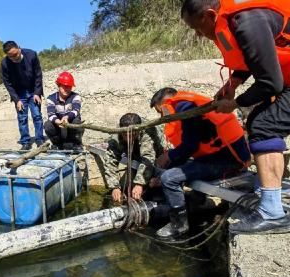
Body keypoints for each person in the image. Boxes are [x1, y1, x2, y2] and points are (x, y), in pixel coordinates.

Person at [181, 0, 290, 234]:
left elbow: (271, 82)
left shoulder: (248, 22)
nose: (199, 35)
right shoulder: (237, 21)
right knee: (260, 123)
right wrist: (233, 84)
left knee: (264, 125)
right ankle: (268, 191)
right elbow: (254, 58)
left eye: (197, 28)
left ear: (210, 15)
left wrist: (235, 103)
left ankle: (273, 214)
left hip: (283, 80)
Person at [150, 88, 250, 238]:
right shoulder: (188, 104)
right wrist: (172, 161)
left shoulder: (186, 108)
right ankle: (197, 200)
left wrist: (169, 157)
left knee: (169, 178)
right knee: (175, 168)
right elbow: (190, 146)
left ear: (166, 103)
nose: (163, 116)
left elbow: (191, 146)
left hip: (228, 160)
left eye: (161, 111)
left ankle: (179, 224)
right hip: (222, 156)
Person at [104, 113, 165, 203]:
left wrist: (139, 183)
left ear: (138, 131)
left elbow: (148, 157)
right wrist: (115, 187)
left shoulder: (147, 132)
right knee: (135, 164)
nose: (129, 138)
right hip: (135, 148)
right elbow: (110, 160)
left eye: (133, 135)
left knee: (158, 173)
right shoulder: (116, 136)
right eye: (125, 135)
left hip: (159, 148)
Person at [1, 41, 45, 150]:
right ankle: (25, 141)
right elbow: (8, 83)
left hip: (33, 90)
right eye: (11, 57)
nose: (14, 58)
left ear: (19, 48)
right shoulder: (5, 63)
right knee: (22, 118)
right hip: (19, 93)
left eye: (15, 54)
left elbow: (38, 75)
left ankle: (39, 139)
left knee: (37, 116)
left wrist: (37, 93)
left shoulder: (31, 55)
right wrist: (16, 100)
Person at [44, 72, 84, 150]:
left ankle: (76, 143)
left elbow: (76, 110)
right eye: (64, 86)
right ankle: (57, 144)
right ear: (58, 86)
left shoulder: (76, 97)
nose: (67, 89)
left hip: (71, 125)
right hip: (58, 126)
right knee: (48, 125)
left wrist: (67, 117)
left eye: (69, 87)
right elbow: (51, 115)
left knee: (77, 121)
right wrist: (58, 121)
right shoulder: (51, 99)